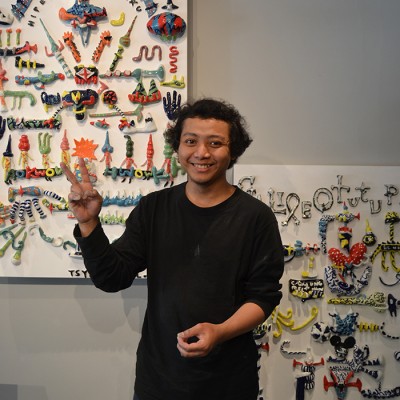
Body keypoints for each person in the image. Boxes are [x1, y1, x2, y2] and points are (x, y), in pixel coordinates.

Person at [61, 98, 284, 400]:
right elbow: (112, 277)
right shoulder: (154, 208)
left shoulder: (256, 217)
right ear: (177, 148)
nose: (201, 153)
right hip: (159, 380)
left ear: (233, 151)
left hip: (228, 381)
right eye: (190, 141)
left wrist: (219, 332)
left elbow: (263, 297)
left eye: (215, 143)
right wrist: (88, 223)